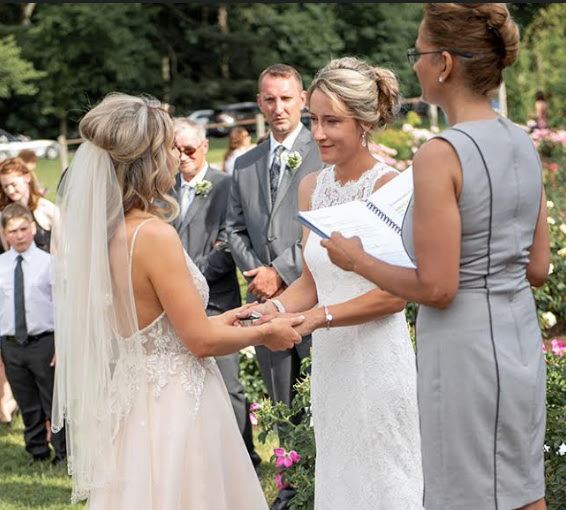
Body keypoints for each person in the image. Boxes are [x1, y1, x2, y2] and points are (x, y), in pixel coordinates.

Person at [322, 4, 549, 510]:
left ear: (444, 63)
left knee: (463, 496)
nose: (416, 65)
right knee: (523, 492)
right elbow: (537, 268)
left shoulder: (440, 155)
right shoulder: (522, 143)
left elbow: (438, 288)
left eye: (419, 53)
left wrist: (357, 260)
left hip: (464, 351)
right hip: (520, 339)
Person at [51, 93, 304, 509]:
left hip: (136, 401)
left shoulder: (107, 234)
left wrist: (232, 317)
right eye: (169, 146)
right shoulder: (153, 235)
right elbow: (198, 341)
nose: (176, 156)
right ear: (147, 160)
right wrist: (266, 332)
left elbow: (161, 327)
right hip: (178, 404)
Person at [248, 57, 424, 509]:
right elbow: (312, 279)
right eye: (314, 120)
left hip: (377, 361)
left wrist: (317, 319)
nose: (319, 133)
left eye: (332, 121)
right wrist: (274, 309)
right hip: (332, 362)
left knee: (387, 482)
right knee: (341, 482)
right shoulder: (311, 187)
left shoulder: (390, 187)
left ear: (364, 122)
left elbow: (393, 296)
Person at [172, 117, 261, 471]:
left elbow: (228, 241)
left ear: (205, 147)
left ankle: (245, 457)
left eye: (189, 149)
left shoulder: (225, 185)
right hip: (173, 304)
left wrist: (191, 279)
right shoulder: (163, 188)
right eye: (175, 150)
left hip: (216, 300)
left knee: (228, 383)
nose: (182, 157)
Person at [0, 203, 66, 464]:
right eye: (12, 231)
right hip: (12, 344)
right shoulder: (1, 266)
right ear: (5, 234)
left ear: (33, 228)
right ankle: (37, 450)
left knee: (52, 400)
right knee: (26, 400)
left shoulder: (48, 263)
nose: (19, 236)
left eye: (23, 229)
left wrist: (61, 346)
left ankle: (62, 452)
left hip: (44, 342)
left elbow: (61, 306)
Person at [0, 157, 55, 253]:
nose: (10, 191)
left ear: (27, 178)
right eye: (5, 186)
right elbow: (7, 251)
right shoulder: (3, 214)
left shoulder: (46, 209)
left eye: (13, 184)